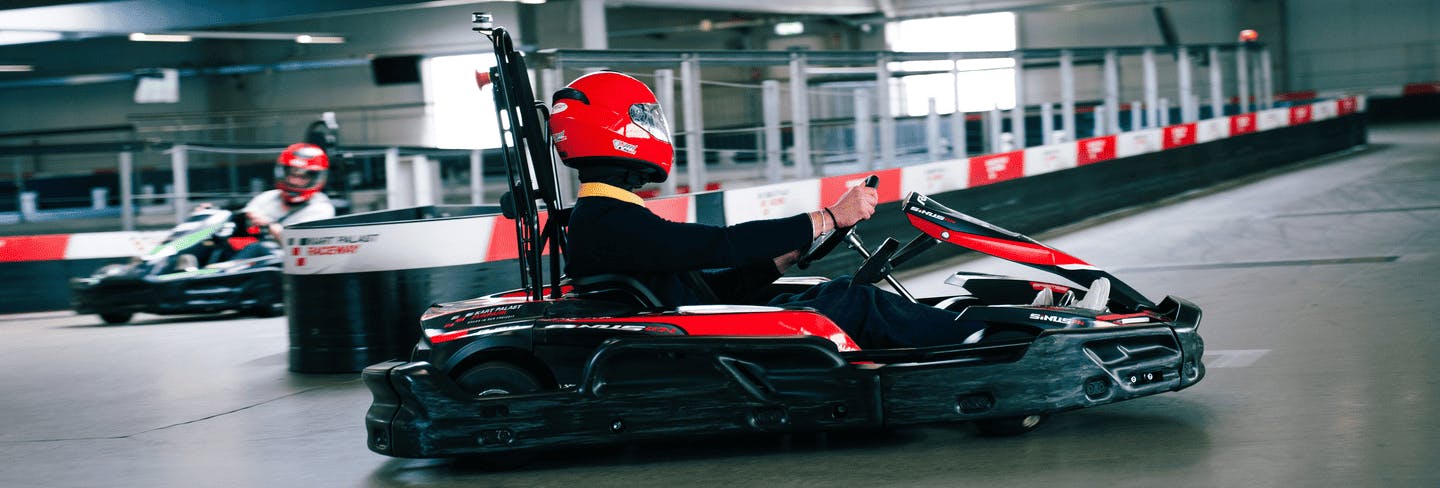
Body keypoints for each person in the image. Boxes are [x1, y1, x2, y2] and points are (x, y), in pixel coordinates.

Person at [552, 71, 984, 349]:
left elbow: (707, 288)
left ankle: (960, 328)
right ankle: (977, 339)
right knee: (854, 302)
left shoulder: (607, 215)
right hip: (694, 336)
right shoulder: (610, 220)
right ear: (613, 130)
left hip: (700, 318)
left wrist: (782, 257)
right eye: (642, 117)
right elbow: (722, 245)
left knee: (833, 290)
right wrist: (828, 218)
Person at [229, 143, 336, 260]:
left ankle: (222, 274)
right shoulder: (267, 197)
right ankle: (211, 272)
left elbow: (303, 246)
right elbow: (241, 221)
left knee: (261, 247)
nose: (294, 181)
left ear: (315, 178)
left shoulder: (321, 209)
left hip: (289, 263)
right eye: (291, 174)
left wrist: (269, 225)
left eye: (303, 177)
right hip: (252, 257)